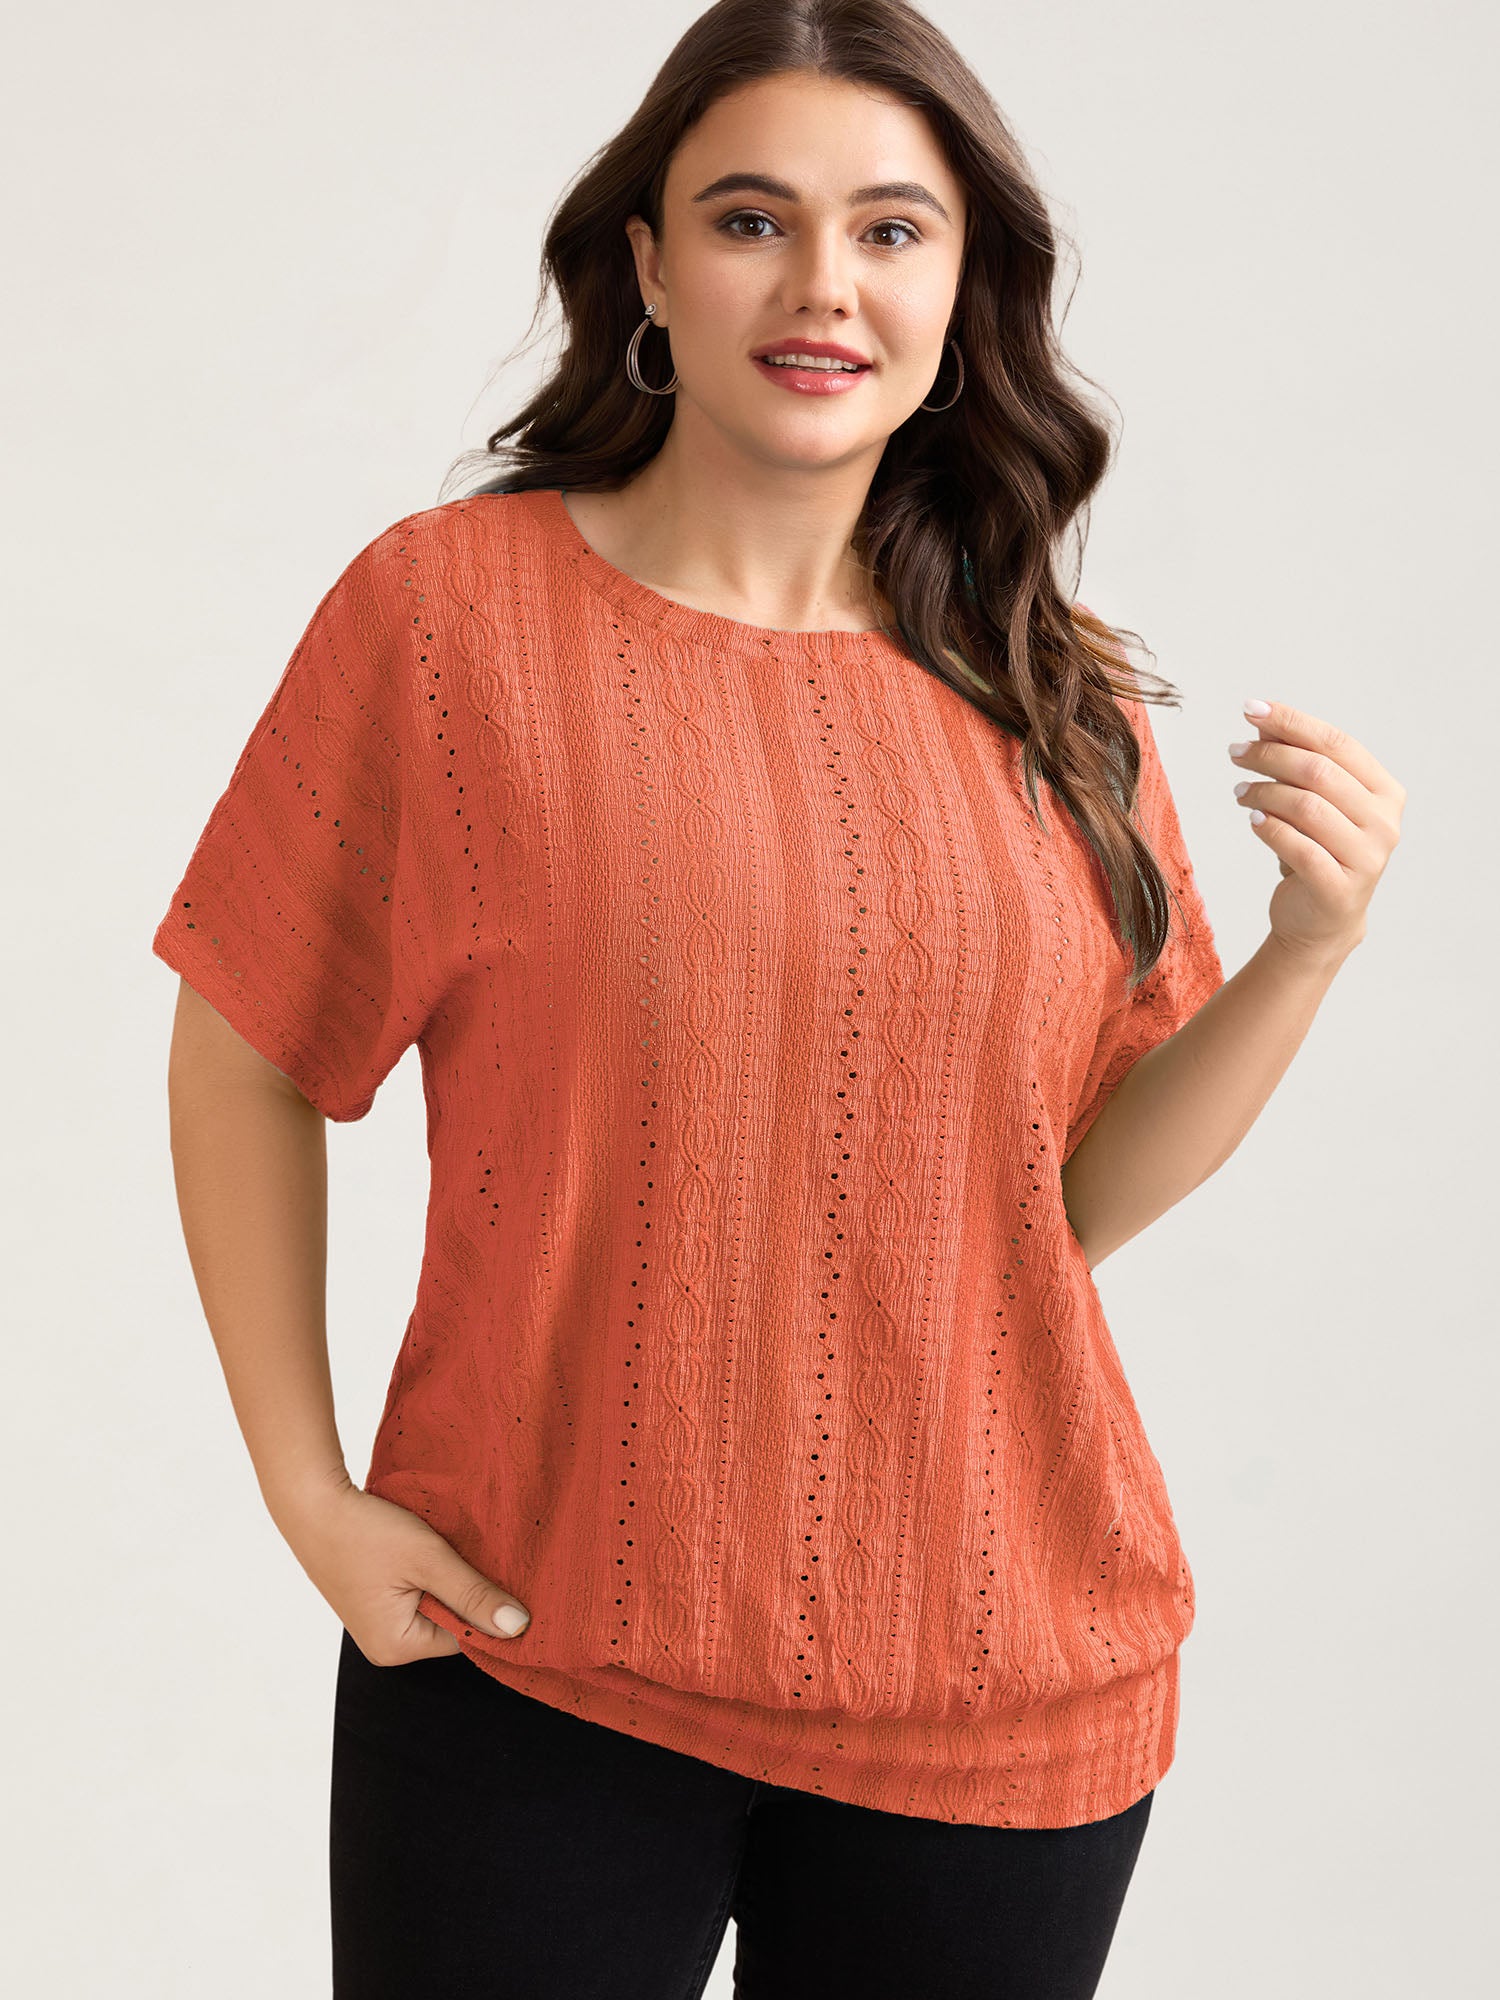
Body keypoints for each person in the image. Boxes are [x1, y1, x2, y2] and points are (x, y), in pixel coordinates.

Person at [152, 3, 1404, 1994]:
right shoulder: (448, 623)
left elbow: (1063, 1199)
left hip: (1002, 1696)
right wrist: (308, 1496)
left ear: (961, 289)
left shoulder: (1050, 683)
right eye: (753, 220)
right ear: (649, 266)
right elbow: (244, 1045)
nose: (825, 283)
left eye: (892, 231)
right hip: (528, 1663)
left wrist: (1307, 952)